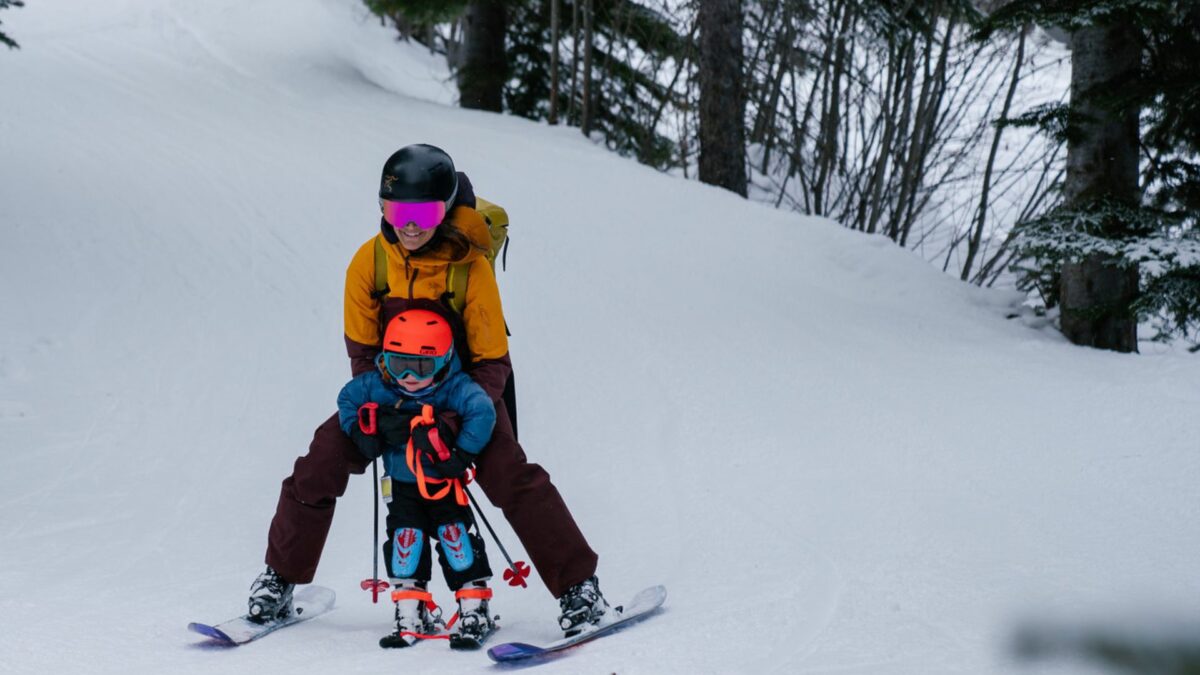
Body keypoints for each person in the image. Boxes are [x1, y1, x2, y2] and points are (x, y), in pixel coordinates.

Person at [249, 144, 612, 637]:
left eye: (424, 211)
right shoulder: (369, 264)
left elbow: (490, 361)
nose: (411, 224)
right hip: (391, 391)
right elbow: (361, 356)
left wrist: (456, 422)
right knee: (319, 462)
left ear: (444, 210)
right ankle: (279, 578)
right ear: (382, 208)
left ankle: (579, 588)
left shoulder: (470, 268)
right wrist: (379, 412)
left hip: (467, 393)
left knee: (510, 475)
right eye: (398, 210)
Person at [338, 308, 497, 648]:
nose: (409, 376)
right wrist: (359, 431)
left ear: (443, 360)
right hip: (400, 485)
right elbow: (348, 398)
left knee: (456, 539)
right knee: (405, 542)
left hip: (441, 484)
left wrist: (462, 455)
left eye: (422, 366)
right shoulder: (379, 385)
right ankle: (411, 610)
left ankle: (473, 607)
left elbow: (482, 410)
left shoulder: (452, 387)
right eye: (399, 364)